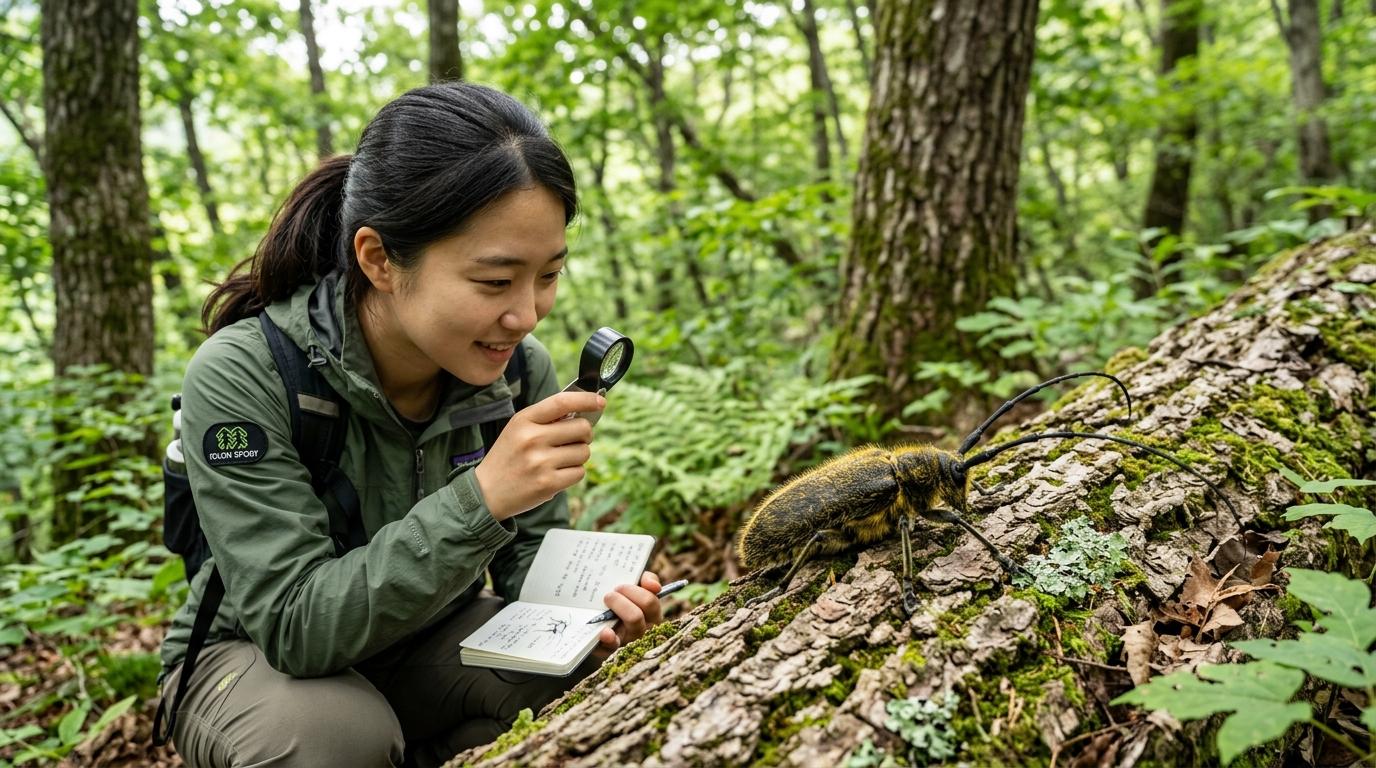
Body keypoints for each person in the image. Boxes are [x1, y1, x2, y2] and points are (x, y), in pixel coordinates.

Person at [155, 82, 665, 768]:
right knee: (335, 740)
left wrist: (598, 612)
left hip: (423, 639)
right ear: (378, 259)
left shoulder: (516, 371)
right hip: (254, 657)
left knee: (587, 675)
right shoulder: (247, 373)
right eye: (494, 282)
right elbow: (294, 627)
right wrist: (482, 497)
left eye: (548, 275)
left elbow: (530, 567)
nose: (527, 314)